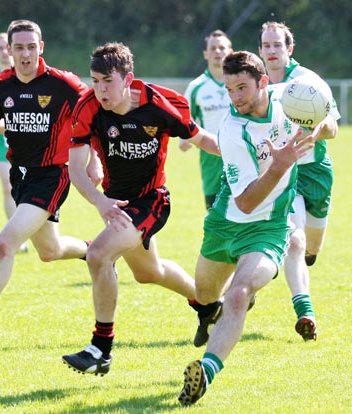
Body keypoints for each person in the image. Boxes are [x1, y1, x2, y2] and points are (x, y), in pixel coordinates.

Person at [177, 50, 335, 406]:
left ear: (264, 82)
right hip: (225, 224)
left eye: (242, 88)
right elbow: (245, 201)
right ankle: (207, 315)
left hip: (270, 227)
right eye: (229, 90)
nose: (235, 98)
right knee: (206, 295)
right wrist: (279, 166)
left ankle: (205, 373)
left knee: (239, 293)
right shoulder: (232, 129)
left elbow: (331, 126)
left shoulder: (291, 99)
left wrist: (318, 127)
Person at [61, 42, 221, 376]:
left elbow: (200, 138)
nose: (101, 89)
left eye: (108, 80)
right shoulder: (87, 107)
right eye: (95, 80)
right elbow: (75, 169)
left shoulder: (159, 104)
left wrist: (246, 158)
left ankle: (100, 349)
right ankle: (207, 305)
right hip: (116, 202)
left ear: (127, 78)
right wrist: (101, 201)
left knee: (99, 255)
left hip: (152, 200)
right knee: (149, 273)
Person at [0, 19, 98, 346]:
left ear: (41, 47)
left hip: (52, 176)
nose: (25, 54)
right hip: (20, 174)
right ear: (8, 51)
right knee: (49, 251)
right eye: (18, 47)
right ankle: (92, 251)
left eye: (30, 46)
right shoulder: (1, 86)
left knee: (5, 242)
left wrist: (94, 161)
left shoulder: (63, 84)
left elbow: (95, 113)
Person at [258, 21, 340, 340]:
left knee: (311, 246)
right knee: (295, 240)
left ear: (289, 48)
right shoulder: (259, 84)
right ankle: (305, 311)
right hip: (283, 171)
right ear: (261, 50)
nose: (272, 51)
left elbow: (332, 125)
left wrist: (317, 130)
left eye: (277, 45)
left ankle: (307, 259)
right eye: (266, 46)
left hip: (315, 171)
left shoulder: (307, 81)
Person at [179, 30, 232, 209]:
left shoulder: (240, 84)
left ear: (230, 52)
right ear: (206, 53)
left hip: (240, 151)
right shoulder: (196, 87)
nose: (218, 52)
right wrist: (184, 139)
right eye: (213, 48)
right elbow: (184, 121)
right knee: (215, 212)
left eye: (222, 48)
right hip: (211, 157)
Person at [0, 32, 28, 253]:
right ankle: (18, 236)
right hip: (3, 143)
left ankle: (37, 227)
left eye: (7, 46)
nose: (4, 51)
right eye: (0, 47)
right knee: (7, 187)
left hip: (30, 143)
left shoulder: (24, 76)